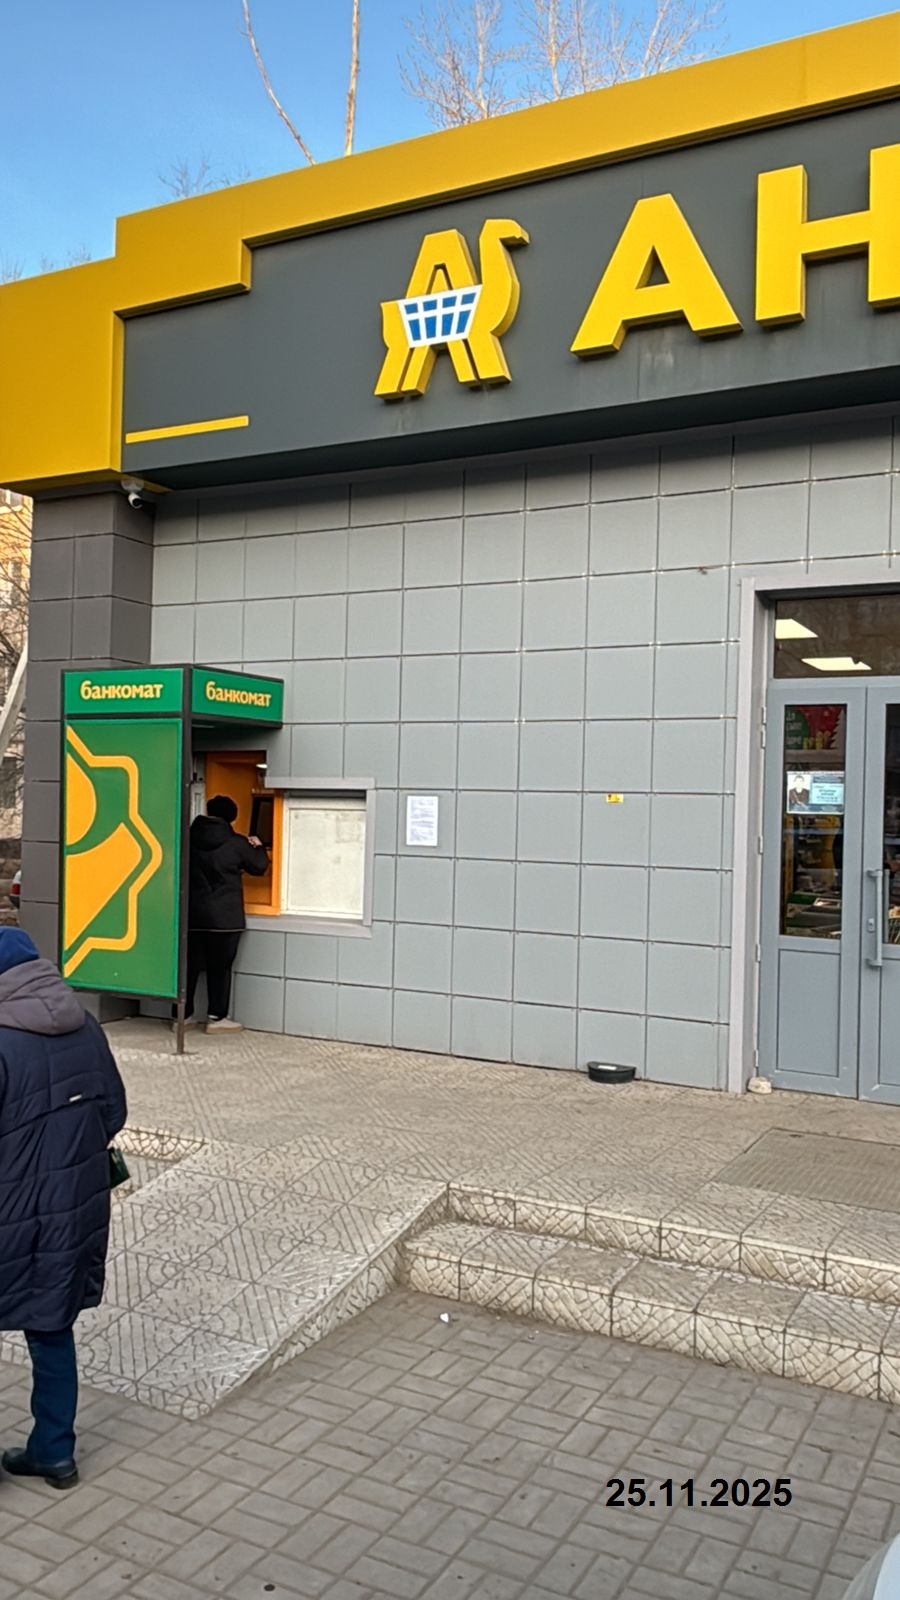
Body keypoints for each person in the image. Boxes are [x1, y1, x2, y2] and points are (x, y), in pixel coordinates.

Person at [0, 928, 126, 1489]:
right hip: (73, 1211)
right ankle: (54, 1453)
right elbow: (113, 1113)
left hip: (7, 1213)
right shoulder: (88, 1027)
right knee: (51, 1326)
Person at [186, 795, 268, 1033]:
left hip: (191, 916)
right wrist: (259, 846)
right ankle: (216, 1018)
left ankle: (183, 1016)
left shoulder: (187, 839)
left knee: (189, 966)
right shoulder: (237, 843)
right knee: (220, 968)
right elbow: (259, 867)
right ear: (232, 817)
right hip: (225, 919)